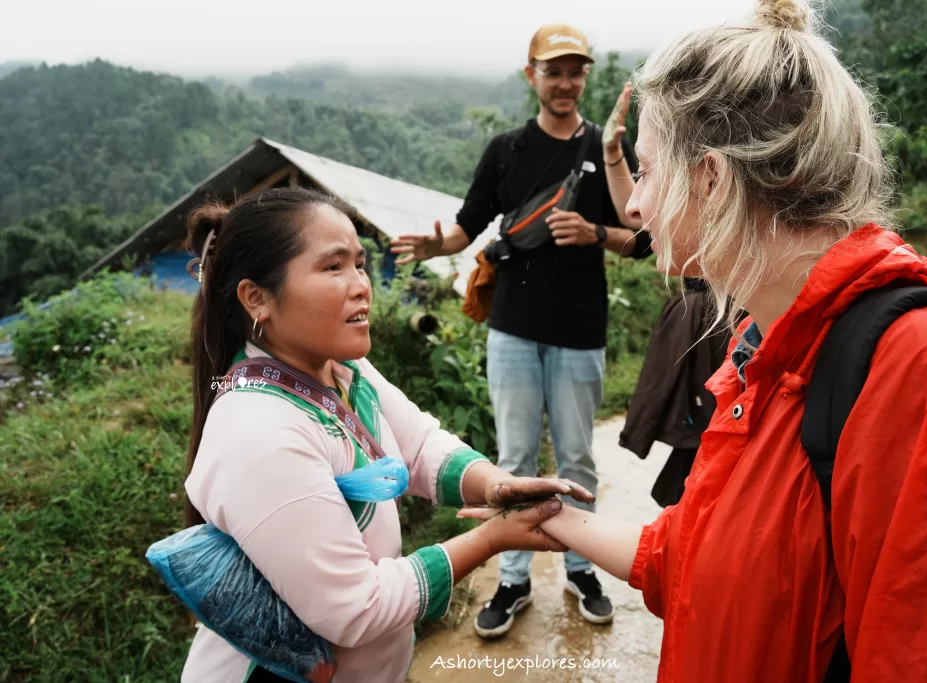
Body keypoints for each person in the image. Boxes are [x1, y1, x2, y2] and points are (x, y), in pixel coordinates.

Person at [461, 1, 927, 680]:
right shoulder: (761, 344)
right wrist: (549, 517)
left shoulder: (922, 370)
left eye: (646, 170)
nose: (635, 205)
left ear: (711, 178)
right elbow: (694, 553)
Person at [179, 187, 595, 683]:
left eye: (359, 263)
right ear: (257, 298)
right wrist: (490, 539)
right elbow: (357, 607)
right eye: (333, 267)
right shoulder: (258, 431)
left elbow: (416, 442)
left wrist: (493, 484)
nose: (361, 285)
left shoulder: (341, 370)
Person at [391, 24, 652, 638]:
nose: (565, 82)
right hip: (512, 329)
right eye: (553, 70)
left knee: (577, 456)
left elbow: (642, 237)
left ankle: (582, 569)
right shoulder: (505, 150)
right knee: (512, 459)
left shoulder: (606, 147)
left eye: (575, 70)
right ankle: (512, 578)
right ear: (530, 75)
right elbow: (465, 226)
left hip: (580, 329)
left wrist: (596, 234)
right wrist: (435, 246)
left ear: (585, 76)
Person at [618, 278, 730, 507]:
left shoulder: (692, 307)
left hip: (725, 305)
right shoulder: (688, 307)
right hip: (710, 305)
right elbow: (658, 380)